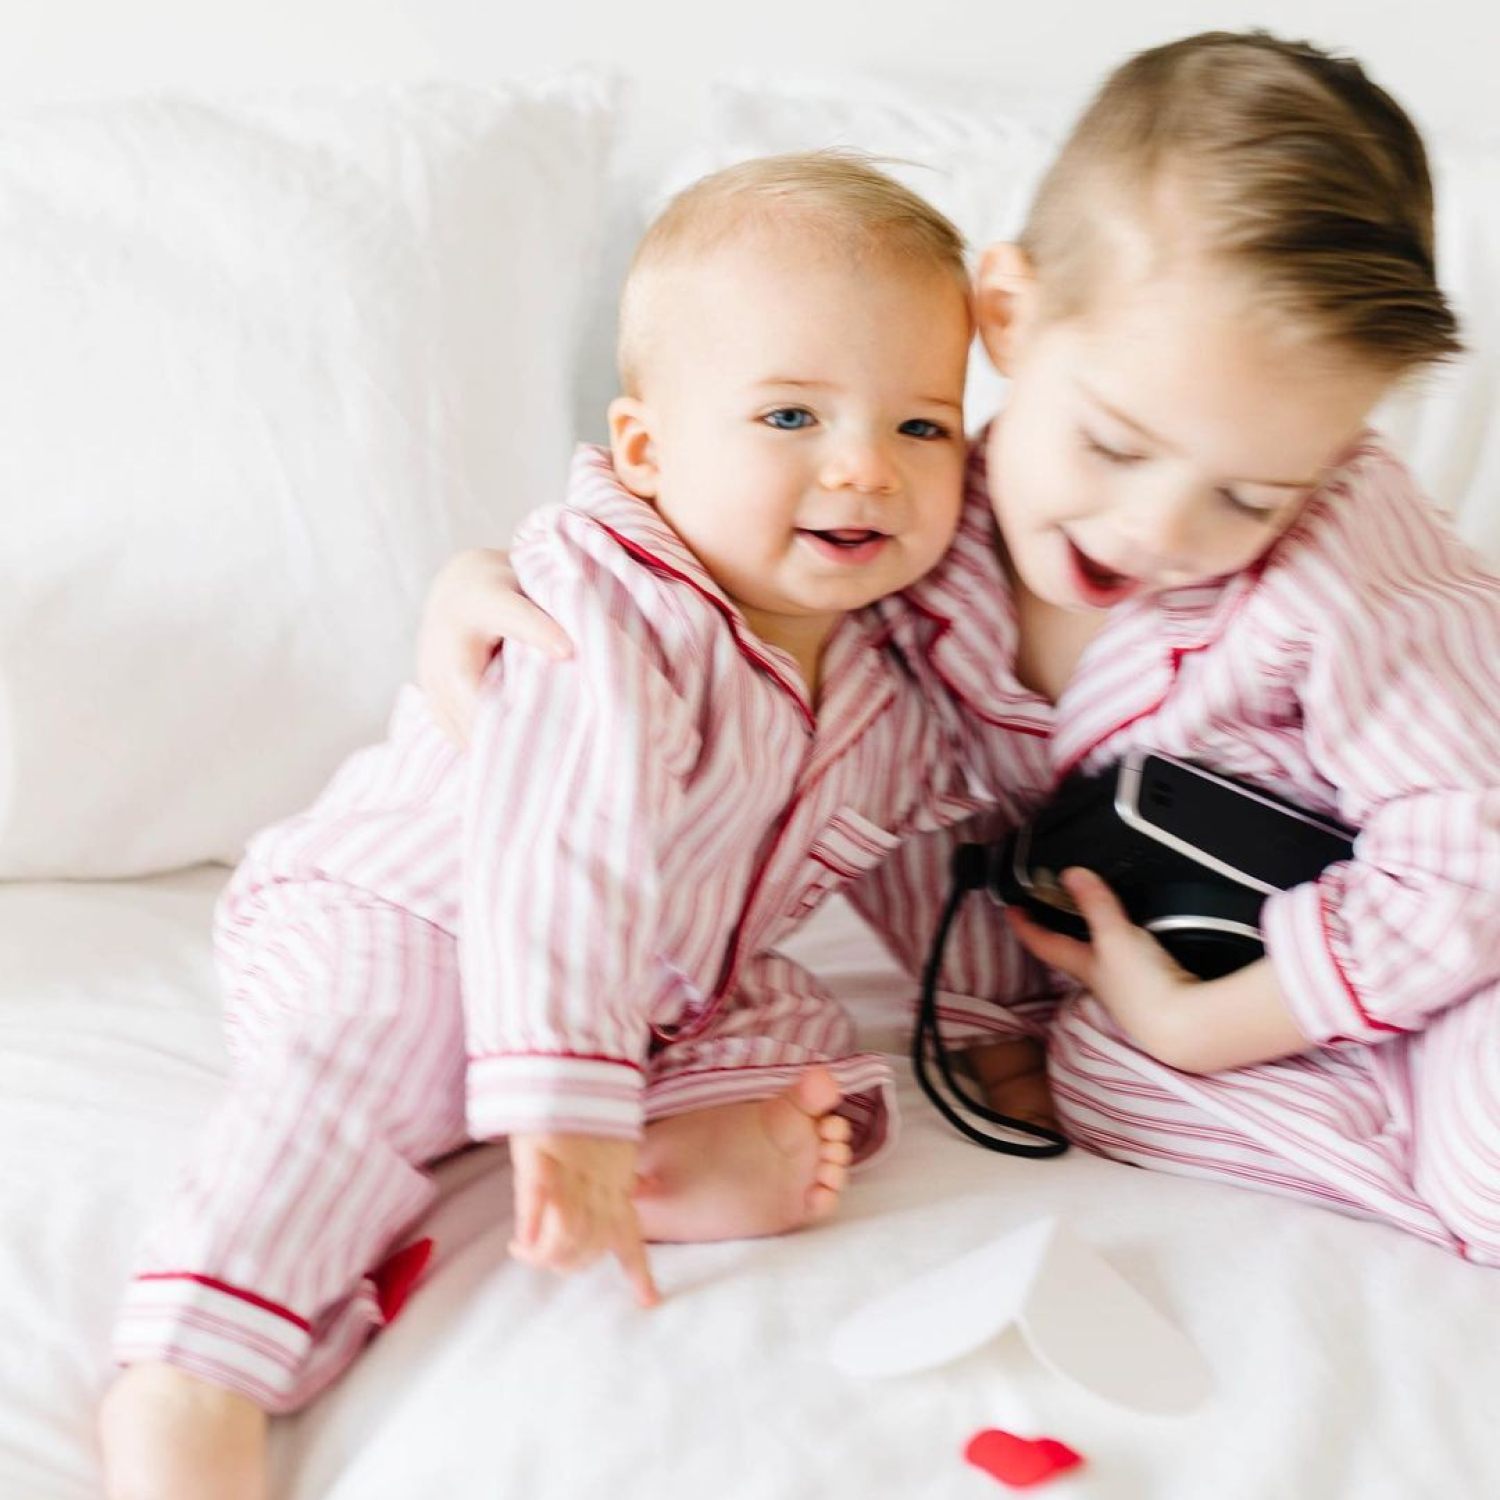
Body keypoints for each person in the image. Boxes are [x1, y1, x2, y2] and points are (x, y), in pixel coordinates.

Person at [416, 31, 1500, 1266]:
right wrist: (497, 574)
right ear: (1010, 316)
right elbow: (710, 590)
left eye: (1248, 497)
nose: (1157, 529)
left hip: (1434, 946)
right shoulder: (909, 536)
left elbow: (1469, 849)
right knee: (1102, 1081)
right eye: (1115, 445)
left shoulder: (1353, 563)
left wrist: (1220, 1025)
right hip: (1221, 999)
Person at [98, 152, 982, 1500]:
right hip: (410, 914)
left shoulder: (886, 681)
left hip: (652, 977)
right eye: (792, 415)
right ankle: (193, 1374)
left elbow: (920, 854)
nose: (864, 466)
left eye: (922, 427)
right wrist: (564, 1108)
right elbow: (564, 854)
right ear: (646, 450)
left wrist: (989, 1026)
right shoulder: (604, 600)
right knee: (353, 1077)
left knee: (820, 1063)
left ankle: (671, 1153)